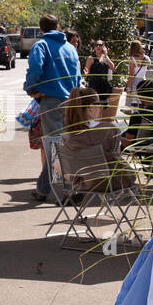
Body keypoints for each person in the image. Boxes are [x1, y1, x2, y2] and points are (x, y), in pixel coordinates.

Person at [24, 14, 83, 202]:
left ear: (41, 30)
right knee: (63, 146)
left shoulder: (41, 46)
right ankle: (43, 189)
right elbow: (77, 77)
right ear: (58, 27)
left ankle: (69, 190)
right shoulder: (70, 49)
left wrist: (31, 88)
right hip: (70, 102)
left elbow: (35, 69)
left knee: (55, 148)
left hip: (51, 102)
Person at [58, 86, 136, 194]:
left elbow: (60, 166)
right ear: (90, 108)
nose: (101, 107)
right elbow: (117, 158)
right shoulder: (109, 130)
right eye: (99, 104)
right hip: (113, 182)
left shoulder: (67, 136)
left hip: (82, 184)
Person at [126, 39, 149, 104]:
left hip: (135, 84)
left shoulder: (132, 59)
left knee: (135, 105)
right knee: (143, 104)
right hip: (144, 82)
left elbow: (131, 75)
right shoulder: (146, 58)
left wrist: (128, 88)